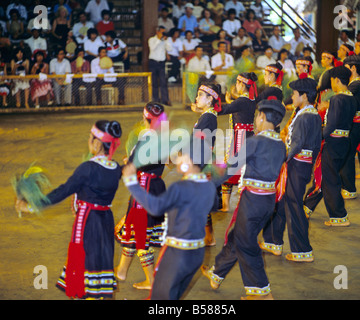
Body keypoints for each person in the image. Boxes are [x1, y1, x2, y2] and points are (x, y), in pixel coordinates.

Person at [15, 120, 122, 300]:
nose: (88, 140)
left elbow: (62, 191)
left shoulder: (88, 169)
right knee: (101, 261)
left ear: (97, 142)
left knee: (86, 263)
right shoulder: (116, 169)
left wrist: (32, 205)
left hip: (88, 222)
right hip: (105, 221)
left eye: (91, 137)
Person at [201, 98, 286, 300]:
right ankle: (217, 273)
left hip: (252, 202)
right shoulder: (280, 145)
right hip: (267, 202)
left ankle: (262, 292)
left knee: (247, 244)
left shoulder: (254, 142)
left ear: (262, 117)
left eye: (257, 116)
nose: (255, 120)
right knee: (237, 236)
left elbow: (230, 168)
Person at [121, 133, 217, 300]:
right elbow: (214, 206)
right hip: (197, 253)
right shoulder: (209, 187)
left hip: (178, 253)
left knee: (161, 297)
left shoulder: (180, 188)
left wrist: (131, 183)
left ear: (188, 162)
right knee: (174, 294)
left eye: (180, 156)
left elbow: (155, 207)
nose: (176, 160)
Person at [261, 75, 322, 262]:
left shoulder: (305, 117)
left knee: (294, 207)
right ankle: (273, 241)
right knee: (283, 203)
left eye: (295, 94)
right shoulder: (310, 114)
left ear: (304, 96)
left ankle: (302, 250)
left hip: (296, 166)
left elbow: (295, 145)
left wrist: (280, 159)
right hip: (300, 166)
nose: (292, 98)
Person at [115, 102, 167, 290]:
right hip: (155, 186)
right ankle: (121, 270)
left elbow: (133, 163)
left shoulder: (147, 137)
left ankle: (150, 280)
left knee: (139, 231)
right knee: (131, 227)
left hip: (143, 189)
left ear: (145, 118)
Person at [303, 66, 357, 226]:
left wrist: (316, 137)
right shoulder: (351, 98)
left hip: (332, 143)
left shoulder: (337, 99)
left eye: (332, 80)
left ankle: (339, 216)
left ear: (337, 81)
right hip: (345, 141)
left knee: (330, 180)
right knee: (326, 178)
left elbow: (331, 125)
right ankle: (308, 206)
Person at [220, 73, 258, 212]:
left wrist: (208, 107)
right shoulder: (250, 99)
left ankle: (227, 205)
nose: (236, 86)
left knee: (231, 171)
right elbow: (236, 106)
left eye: (237, 83)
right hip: (247, 136)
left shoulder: (241, 101)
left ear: (242, 85)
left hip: (240, 139)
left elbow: (224, 110)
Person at [191, 83, 222, 246]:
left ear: (210, 99)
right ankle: (208, 237)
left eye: (200, 95)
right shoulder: (207, 115)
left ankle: (203, 237)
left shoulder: (208, 117)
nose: (196, 98)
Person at [340, 55, 360, 200]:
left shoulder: (355, 85)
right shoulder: (355, 84)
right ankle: (347, 186)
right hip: (354, 125)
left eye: (346, 68)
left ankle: (349, 188)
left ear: (353, 68)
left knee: (348, 157)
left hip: (354, 126)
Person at [148, 26, 172, 106]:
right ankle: (155, 100)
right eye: (162, 32)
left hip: (161, 63)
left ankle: (165, 100)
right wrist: (159, 39)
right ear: (157, 32)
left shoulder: (164, 41)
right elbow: (152, 48)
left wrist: (166, 41)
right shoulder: (152, 39)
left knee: (163, 82)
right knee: (154, 82)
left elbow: (170, 49)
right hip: (153, 62)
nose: (163, 34)